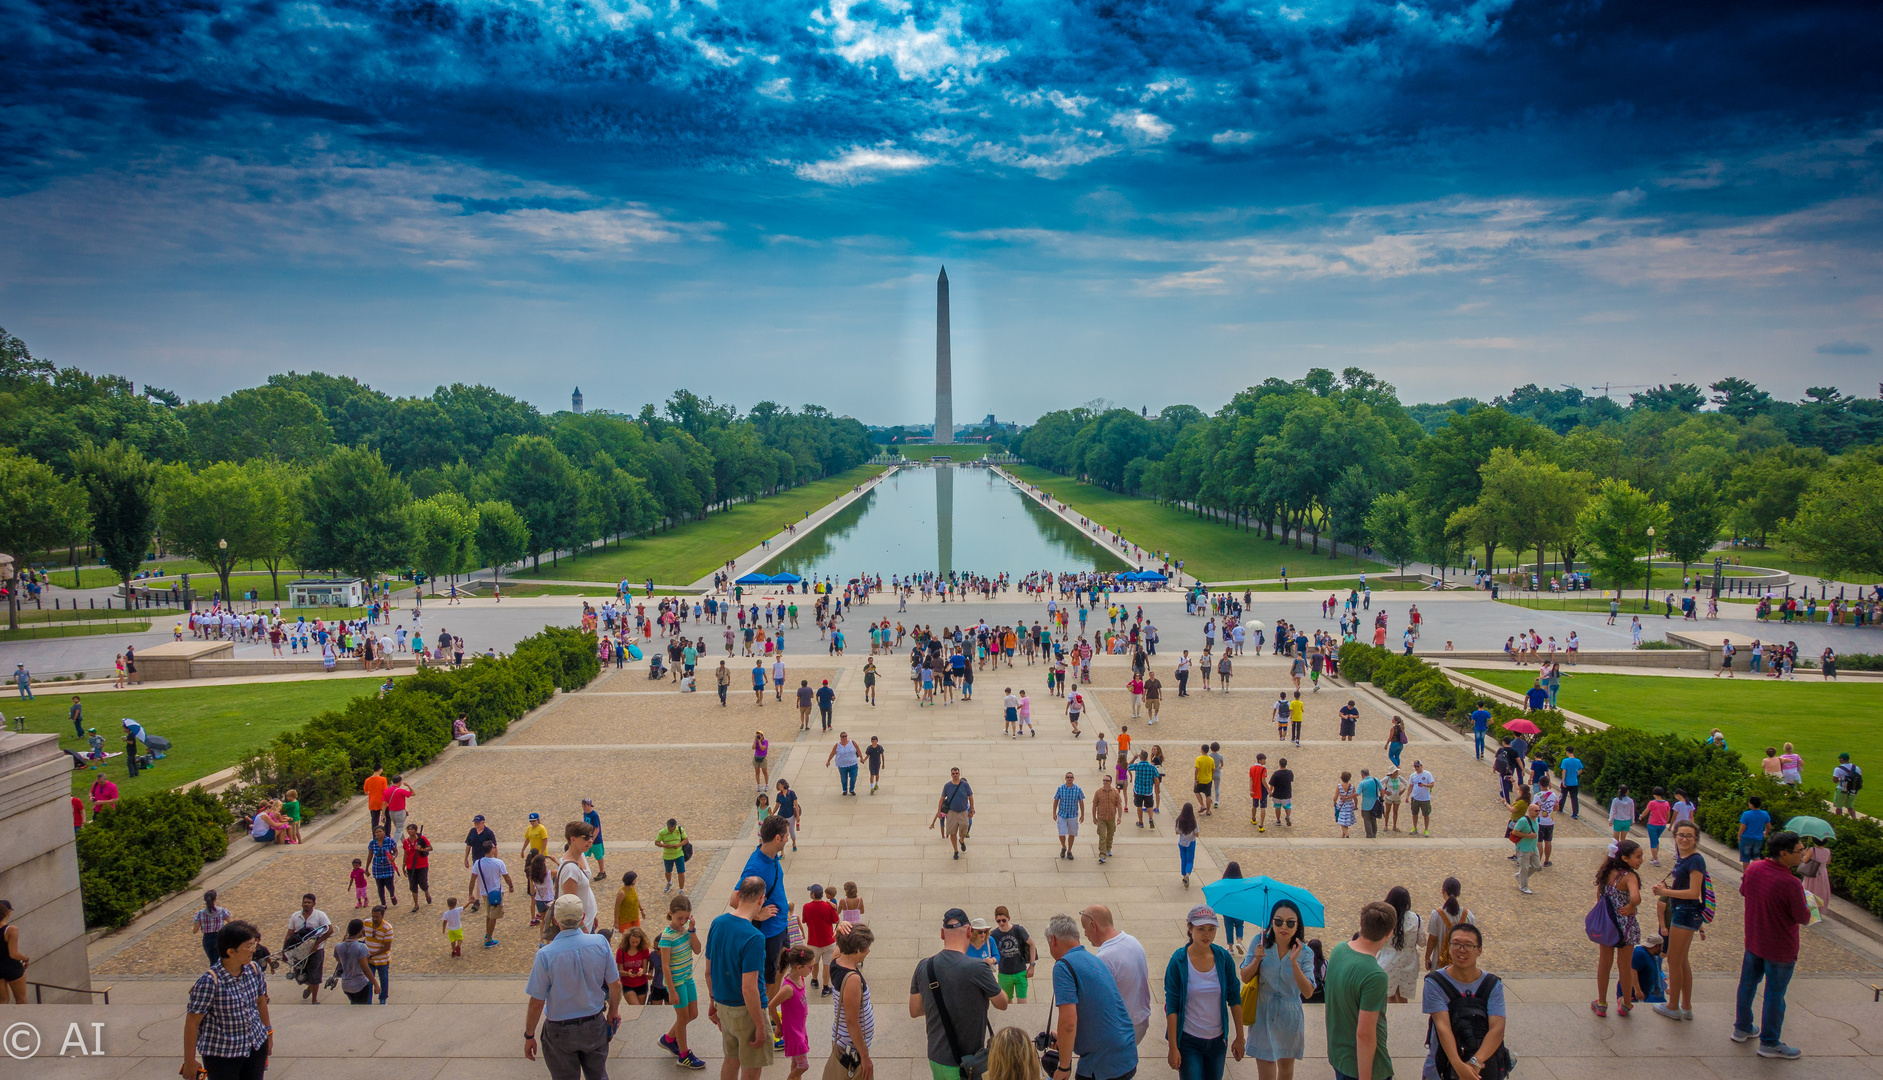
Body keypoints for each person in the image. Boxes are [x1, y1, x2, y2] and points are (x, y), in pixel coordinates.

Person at [524, 894, 623, 1080]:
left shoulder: (545, 955)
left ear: (555, 920)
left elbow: (537, 1001)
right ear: (583, 916)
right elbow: (615, 983)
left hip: (560, 1029)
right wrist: (613, 1012)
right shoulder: (600, 943)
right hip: (593, 1023)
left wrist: (529, 1035)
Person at [1733, 831, 1811, 1058]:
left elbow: (1744, 891)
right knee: (1775, 994)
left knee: (1747, 985)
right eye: (1799, 851)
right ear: (1784, 854)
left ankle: (1742, 1027)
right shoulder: (1791, 883)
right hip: (1780, 948)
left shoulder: (1754, 868)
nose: (1802, 855)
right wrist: (1808, 904)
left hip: (1754, 940)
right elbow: (1803, 917)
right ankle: (1769, 1042)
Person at [911, 907, 1008, 1080]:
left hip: (937, 1057)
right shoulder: (979, 968)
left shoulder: (924, 966)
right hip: (970, 1062)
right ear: (969, 931)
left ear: (942, 933)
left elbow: (915, 1010)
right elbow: (1002, 1003)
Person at [1045, 913, 1138, 1080]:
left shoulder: (1063, 966)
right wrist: (1064, 1040)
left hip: (1102, 1065)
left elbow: (1068, 1021)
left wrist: (1064, 1067)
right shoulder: (1095, 960)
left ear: (1053, 940)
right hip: (1126, 1056)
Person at [182, 920, 273, 1080]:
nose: (254, 950)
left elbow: (260, 1002)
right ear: (231, 952)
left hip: (255, 1046)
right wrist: (189, 1061)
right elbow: (192, 1022)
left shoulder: (254, 969)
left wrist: (268, 1034)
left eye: (254, 944)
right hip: (223, 1055)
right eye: (249, 946)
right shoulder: (210, 982)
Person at [1163, 904, 1245, 1080]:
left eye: (1211, 929)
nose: (1207, 935)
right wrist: (1173, 1047)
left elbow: (1234, 997)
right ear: (1189, 928)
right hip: (1189, 1040)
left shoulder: (1223, 959)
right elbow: (1172, 1005)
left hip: (1218, 1041)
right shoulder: (1178, 961)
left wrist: (1240, 1037)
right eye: (1201, 929)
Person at [708, 876, 776, 1080]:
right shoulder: (754, 937)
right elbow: (749, 988)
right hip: (746, 1010)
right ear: (761, 899)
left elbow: (708, 971)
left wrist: (713, 1002)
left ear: (738, 895)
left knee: (731, 1059)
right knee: (752, 1067)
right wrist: (761, 1025)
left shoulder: (718, 923)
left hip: (723, 1005)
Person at [1421, 923, 1507, 1080]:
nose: (1461, 949)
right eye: (1456, 944)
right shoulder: (1434, 983)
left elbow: (1497, 1029)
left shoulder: (1493, 984)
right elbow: (1443, 1027)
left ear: (1479, 950)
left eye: (1468, 945)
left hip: (1483, 1069)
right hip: (1440, 1070)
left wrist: (1474, 1064)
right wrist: (1459, 1066)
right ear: (1449, 946)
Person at [1325, 901, 1394, 1080]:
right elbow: (1365, 1033)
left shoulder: (1339, 950)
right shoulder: (1375, 975)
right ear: (1389, 934)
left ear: (1361, 924)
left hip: (1339, 1056)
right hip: (1366, 1067)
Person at [1649, 820, 1706, 1021]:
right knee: (1681, 961)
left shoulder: (1695, 860)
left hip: (1685, 912)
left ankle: (1673, 1006)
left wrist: (1666, 891)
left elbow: (1693, 892)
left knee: (1674, 960)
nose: (1684, 839)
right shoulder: (1684, 858)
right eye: (1680, 835)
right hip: (1682, 911)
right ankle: (1686, 1006)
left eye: (1689, 836)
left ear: (1696, 839)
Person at [1591, 840, 1644, 1016]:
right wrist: (1631, 906)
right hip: (1626, 926)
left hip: (1607, 925)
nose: (1641, 860)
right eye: (1638, 856)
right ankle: (1626, 1003)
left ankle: (1601, 1003)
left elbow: (1600, 895)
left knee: (1604, 963)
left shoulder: (1607, 873)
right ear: (1625, 858)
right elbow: (1636, 897)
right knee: (1624, 965)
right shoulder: (1630, 876)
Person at [658, 893, 708, 1070]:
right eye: (680, 918)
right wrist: (671, 990)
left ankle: (669, 1039)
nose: (683, 921)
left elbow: (697, 949)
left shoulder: (687, 928)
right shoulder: (667, 936)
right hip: (676, 982)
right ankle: (684, 1054)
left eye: (686, 917)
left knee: (693, 1014)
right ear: (670, 913)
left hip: (687, 977)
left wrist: (692, 930)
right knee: (683, 1016)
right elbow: (665, 966)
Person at [827, 921, 877, 1080]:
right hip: (851, 1049)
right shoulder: (852, 979)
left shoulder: (836, 961)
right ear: (856, 951)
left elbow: (840, 944)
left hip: (845, 1041)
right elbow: (852, 1021)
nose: (868, 951)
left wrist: (840, 927)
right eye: (866, 948)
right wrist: (865, 1057)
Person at [1375, 886, 1423, 1003]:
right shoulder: (1416, 919)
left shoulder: (1384, 918)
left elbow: (1377, 940)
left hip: (1387, 959)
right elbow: (1422, 942)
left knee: (1389, 995)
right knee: (1403, 996)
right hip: (1409, 961)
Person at [285, 893, 332, 1003]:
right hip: (299, 951)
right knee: (299, 974)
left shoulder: (320, 915)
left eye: (309, 902)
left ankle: (314, 999)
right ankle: (310, 987)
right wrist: (285, 949)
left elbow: (330, 930)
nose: (306, 904)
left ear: (314, 904)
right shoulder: (295, 916)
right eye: (305, 902)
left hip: (316, 951)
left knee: (315, 975)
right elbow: (289, 933)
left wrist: (317, 944)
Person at [992, 907, 1037, 1003]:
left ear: (1009, 918)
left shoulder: (1018, 930)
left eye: (1004, 920)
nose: (1001, 923)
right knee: (1007, 1005)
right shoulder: (994, 934)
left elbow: (1032, 944)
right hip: (1004, 973)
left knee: (1022, 1003)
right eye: (998, 921)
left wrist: (1032, 966)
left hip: (1020, 972)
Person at [932, 767, 974, 859]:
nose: (955, 775)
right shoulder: (947, 786)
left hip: (963, 812)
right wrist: (939, 811)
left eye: (957, 773)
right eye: (953, 773)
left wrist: (971, 810)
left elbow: (970, 797)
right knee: (952, 832)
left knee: (964, 829)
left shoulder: (965, 785)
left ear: (959, 774)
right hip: (952, 812)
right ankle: (955, 851)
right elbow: (942, 799)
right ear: (951, 775)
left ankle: (962, 841)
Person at [333, 918, 374, 1005]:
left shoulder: (338, 946)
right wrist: (375, 984)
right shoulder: (362, 947)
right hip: (360, 983)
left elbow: (339, 959)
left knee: (353, 1004)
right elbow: (365, 968)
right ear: (360, 931)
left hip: (346, 984)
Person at [193, 890, 233, 966]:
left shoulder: (200, 914)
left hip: (207, 939)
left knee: (212, 961)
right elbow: (231, 923)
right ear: (215, 899)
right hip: (220, 937)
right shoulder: (222, 911)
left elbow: (195, 930)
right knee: (221, 960)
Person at [1054, 771, 1087, 860]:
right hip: (1062, 814)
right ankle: (1063, 846)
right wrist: (1054, 812)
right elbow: (1056, 800)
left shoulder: (1078, 789)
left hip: (1073, 815)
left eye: (1071, 777)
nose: (1069, 779)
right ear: (1065, 778)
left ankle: (1069, 850)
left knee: (1072, 833)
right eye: (1068, 777)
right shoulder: (1060, 788)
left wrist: (1082, 814)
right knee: (1061, 833)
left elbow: (1081, 802)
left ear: (1073, 779)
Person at [0, 899, 27, 1004]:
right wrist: (26, 958)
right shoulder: (11, 930)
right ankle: (23, 1020)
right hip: (12, 967)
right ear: (8, 912)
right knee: (21, 999)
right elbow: (14, 954)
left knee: (3, 1002)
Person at [1737, 796, 1771, 867]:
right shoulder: (1765, 814)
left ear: (1751, 804)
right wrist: (1766, 832)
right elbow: (1769, 827)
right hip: (1758, 839)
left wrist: (1739, 835)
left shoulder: (1746, 814)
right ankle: (1759, 871)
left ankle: (1746, 875)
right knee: (1756, 856)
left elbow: (1743, 827)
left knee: (1746, 858)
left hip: (1746, 838)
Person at [658, 818, 689, 893]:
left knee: (681, 872)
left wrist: (679, 845)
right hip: (668, 856)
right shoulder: (662, 832)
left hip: (679, 854)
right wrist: (664, 845)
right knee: (668, 871)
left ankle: (681, 889)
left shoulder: (680, 830)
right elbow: (656, 842)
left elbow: (685, 839)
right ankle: (669, 883)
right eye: (670, 829)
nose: (671, 830)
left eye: (673, 829)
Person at [828, 732, 862, 796]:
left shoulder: (852, 742)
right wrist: (828, 761)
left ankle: (852, 789)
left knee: (853, 777)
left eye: (845, 736)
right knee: (843, 778)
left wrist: (861, 758)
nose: (844, 737)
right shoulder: (837, 745)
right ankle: (844, 790)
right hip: (842, 765)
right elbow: (832, 753)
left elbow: (858, 750)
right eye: (843, 736)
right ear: (840, 737)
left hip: (853, 764)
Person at [1406, 761, 1434, 837]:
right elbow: (1411, 786)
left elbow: (1432, 784)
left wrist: (1424, 785)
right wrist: (1407, 796)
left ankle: (1426, 829)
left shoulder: (1427, 774)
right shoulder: (1413, 775)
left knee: (1426, 814)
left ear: (1421, 766)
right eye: (1415, 766)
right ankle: (1415, 827)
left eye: (1418, 766)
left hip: (1425, 798)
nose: (1416, 768)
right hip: (1415, 797)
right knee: (1414, 813)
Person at [1833, 753, 1862, 818]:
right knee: (1850, 806)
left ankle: (1839, 820)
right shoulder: (1856, 768)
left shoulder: (1838, 769)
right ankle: (1854, 821)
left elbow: (1835, 780)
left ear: (1841, 759)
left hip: (1842, 788)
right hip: (1853, 789)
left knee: (1839, 806)